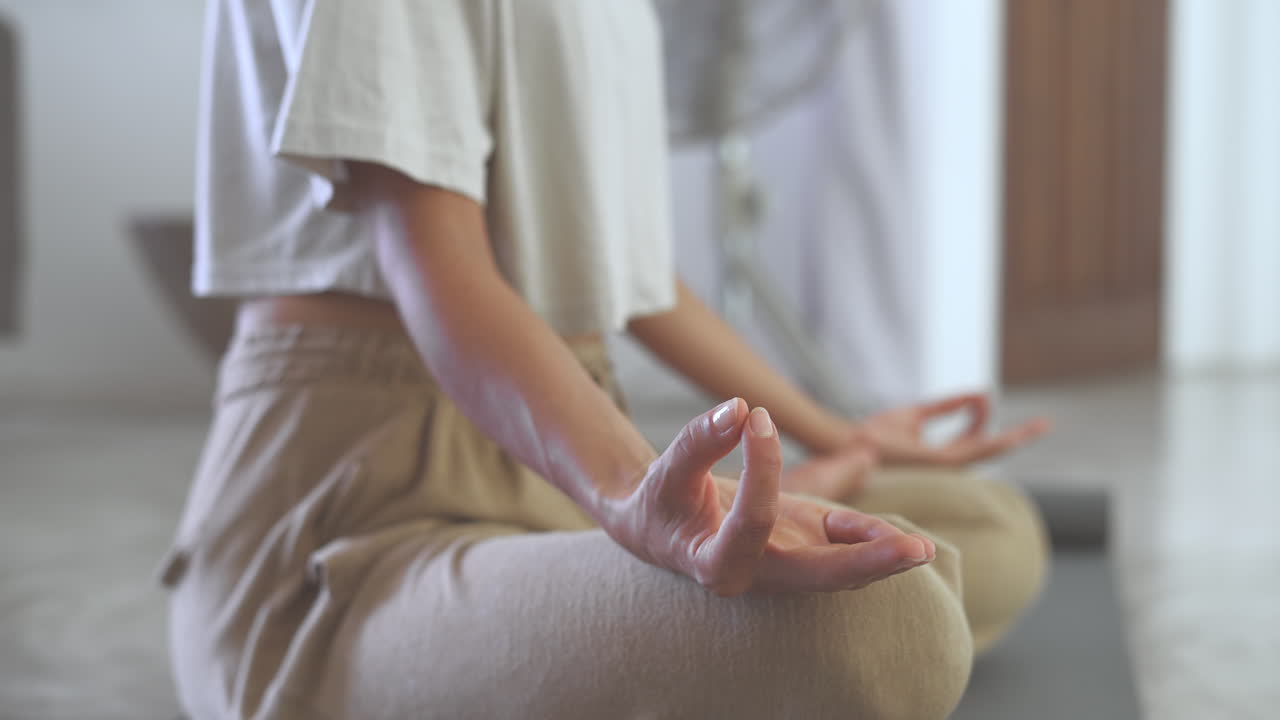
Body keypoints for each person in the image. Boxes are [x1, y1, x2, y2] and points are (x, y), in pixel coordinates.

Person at [160, 1, 1050, 718]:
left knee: (987, 533)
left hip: (551, 467)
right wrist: (630, 492)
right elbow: (437, 260)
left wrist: (846, 436)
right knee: (889, 626)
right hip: (355, 507)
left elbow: (631, 270)